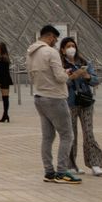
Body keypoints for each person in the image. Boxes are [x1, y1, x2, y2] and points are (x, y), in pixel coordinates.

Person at [28, 25, 81, 183]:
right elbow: (60, 77)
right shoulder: (50, 52)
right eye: (55, 39)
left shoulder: (30, 52)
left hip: (39, 96)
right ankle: (62, 172)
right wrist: (69, 74)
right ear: (50, 36)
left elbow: (31, 75)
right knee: (67, 135)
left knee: (47, 137)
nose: (56, 42)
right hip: (55, 97)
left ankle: (49, 171)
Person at [60, 36, 102, 177]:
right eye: (68, 46)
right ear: (62, 50)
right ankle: (71, 165)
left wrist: (87, 76)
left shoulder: (85, 63)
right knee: (71, 135)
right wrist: (70, 78)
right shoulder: (60, 65)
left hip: (86, 102)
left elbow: (96, 81)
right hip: (70, 102)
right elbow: (58, 83)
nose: (71, 48)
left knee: (89, 133)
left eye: (73, 45)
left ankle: (95, 163)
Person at [0, 42, 13, 122]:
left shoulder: (3, 58)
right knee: (5, 97)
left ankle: (5, 115)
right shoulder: (4, 57)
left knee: (5, 98)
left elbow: (2, 71)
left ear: (1, 49)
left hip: (4, 80)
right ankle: (5, 115)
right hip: (4, 79)